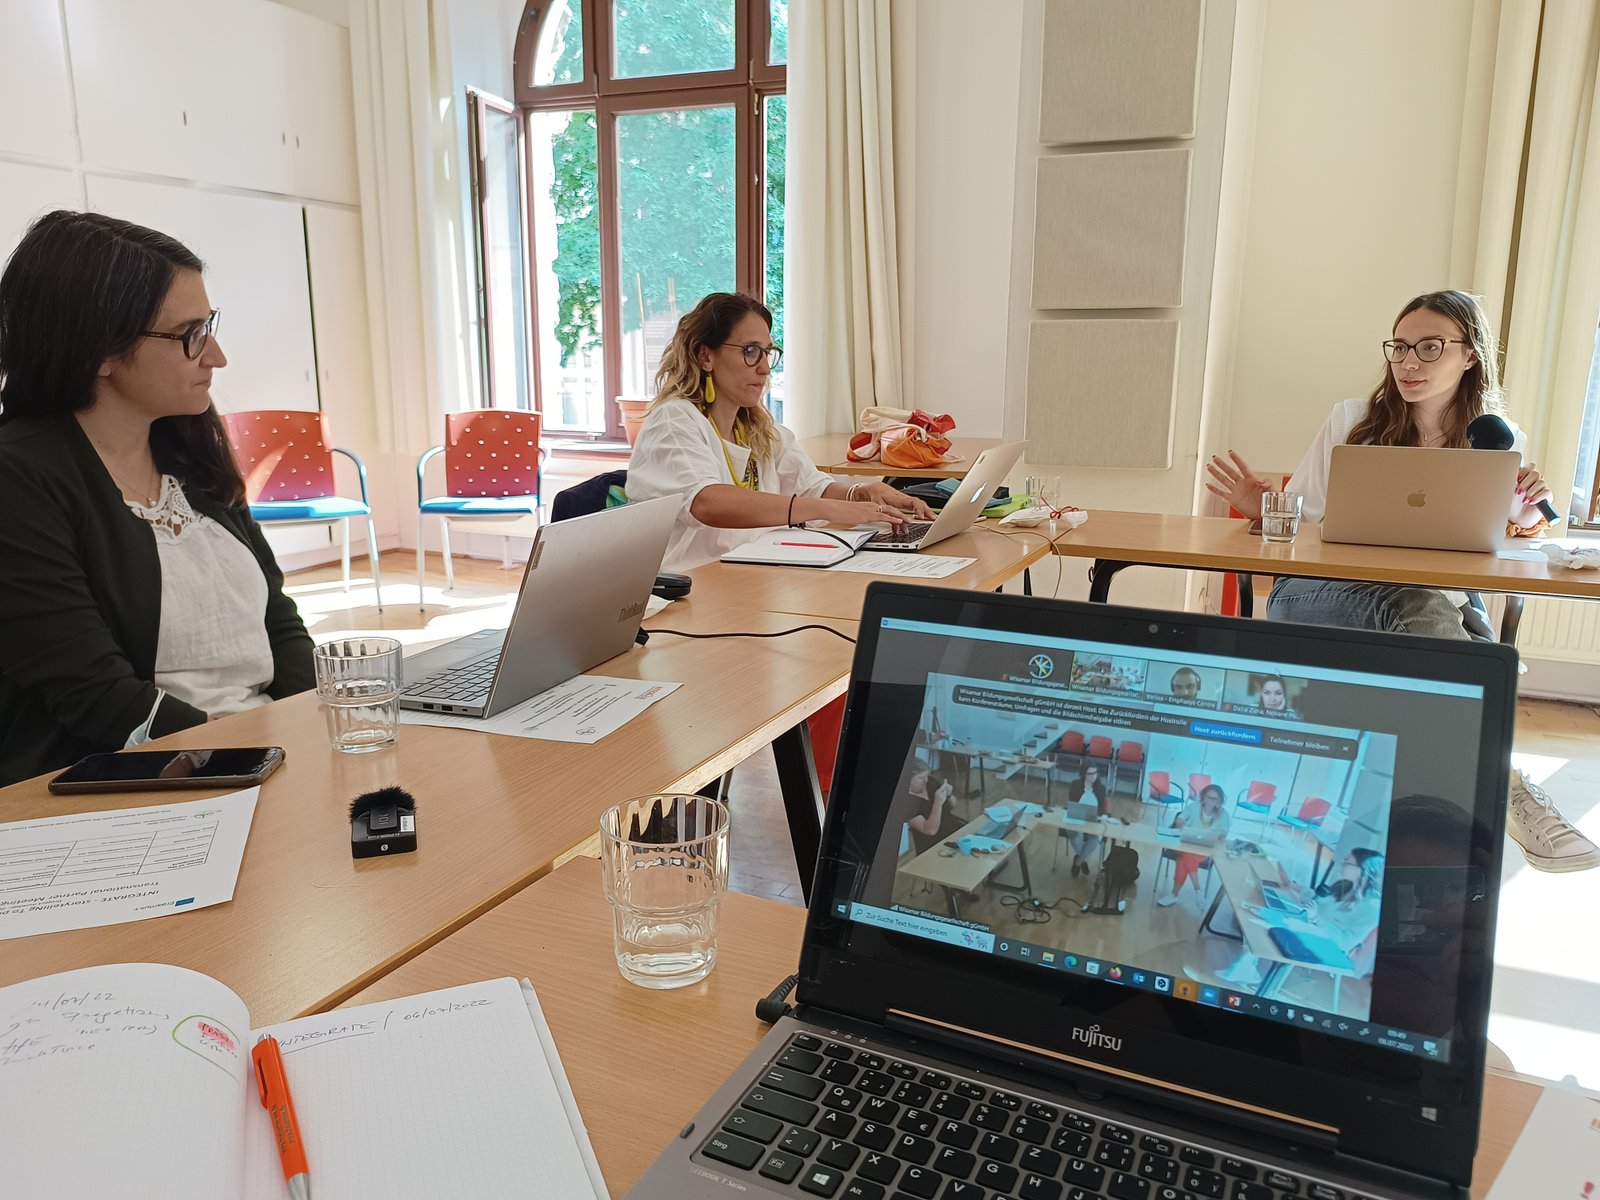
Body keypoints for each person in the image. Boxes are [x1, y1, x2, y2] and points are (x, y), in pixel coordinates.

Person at [1205, 289, 1597, 872]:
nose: (1409, 362)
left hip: (1437, 602)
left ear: (1469, 355)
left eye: (1430, 347)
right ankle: (1505, 787)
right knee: (1448, 635)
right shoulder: (1351, 420)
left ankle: (1445, 824)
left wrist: (1523, 510)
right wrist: (1258, 506)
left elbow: (1500, 536)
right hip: (1316, 594)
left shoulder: (1496, 435)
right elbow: (1301, 522)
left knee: (1465, 649)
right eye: (1401, 347)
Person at [0, 211, 314, 786]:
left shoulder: (188, 447)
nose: (216, 355)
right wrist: (246, 759)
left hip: (259, 753)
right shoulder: (18, 476)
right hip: (139, 779)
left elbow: (278, 617)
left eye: (209, 325)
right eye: (190, 334)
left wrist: (308, 726)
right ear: (99, 350)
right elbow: (94, 694)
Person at [627, 292, 934, 572]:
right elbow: (707, 502)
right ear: (705, 356)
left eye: (767, 353)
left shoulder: (758, 428)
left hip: (748, 575)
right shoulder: (673, 421)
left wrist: (862, 492)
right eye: (750, 351)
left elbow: (811, 487)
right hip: (688, 585)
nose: (764, 368)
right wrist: (830, 508)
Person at [1214, 848, 1386, 992]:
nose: (1342, 863)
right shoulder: (1345, 886)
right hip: (1315, 929)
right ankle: (1247, 967)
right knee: (1260, 913)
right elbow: (1319, 903)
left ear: (1360, 870)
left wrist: (1316, 919)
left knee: (1269, 921)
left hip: (1331, 946)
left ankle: (1246, 968)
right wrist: (1295, 887)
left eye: (1347, 862)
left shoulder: (1372, 907)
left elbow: (1345, 942)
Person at [1158, 782, 1230, 907]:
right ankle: (1197, 890)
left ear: (1219, 801)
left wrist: (1218, 835)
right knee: (1187, 855)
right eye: (1208, 797)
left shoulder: (1224, 815)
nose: (1210, 801)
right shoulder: (1194, 806)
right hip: (1184, 844)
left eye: (1214, 799)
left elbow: (1223, 834)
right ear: (1203, 796)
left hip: (1203, 850)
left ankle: (1174, 895)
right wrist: (1181, 825)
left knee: (1184, 859)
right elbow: (1179, 819)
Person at [898, 768, 964, 855]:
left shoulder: (930, 782)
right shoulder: (904, 802)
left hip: (952, 830)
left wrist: (949, 795)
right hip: (932, 845)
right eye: (921, 777)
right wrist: (937, 803)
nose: (926, 780)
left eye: (927, 775)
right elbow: (930, 831)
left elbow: (952, 806)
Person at [1065, 764, 1111, 876]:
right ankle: (1083, 860)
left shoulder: (1101, 788)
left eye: (1095, 773)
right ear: (1084, 774)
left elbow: (1100, 809)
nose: (1093, 776)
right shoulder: (1075, 785)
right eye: (1090, 774)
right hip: (1076, 819)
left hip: (1092, 821)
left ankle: (1078, 861)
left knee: (1095, 839)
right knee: (1076, 837)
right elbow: (1072, 804)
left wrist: (1099, 816)